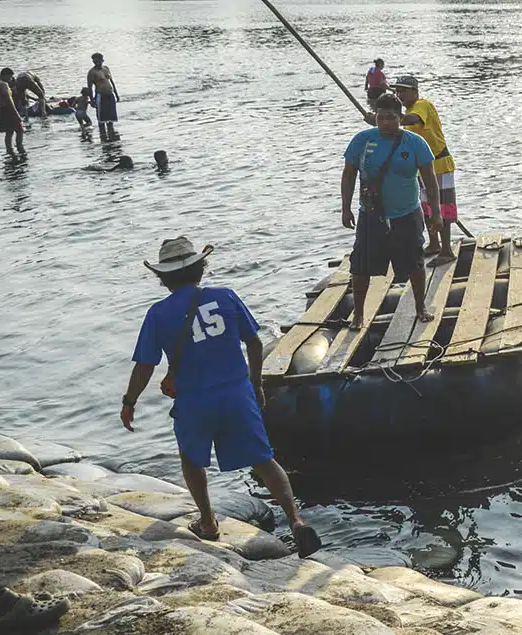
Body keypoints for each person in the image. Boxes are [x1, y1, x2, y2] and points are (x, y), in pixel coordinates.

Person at [122, 236, 322, 557]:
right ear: (200, 269)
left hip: (194, 401)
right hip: (236, 394)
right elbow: (254, 343)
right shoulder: (225, 296)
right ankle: (296, 520)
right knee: (265, 461)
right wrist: (256, 384)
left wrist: (129, 401)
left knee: (191, 460)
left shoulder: (158, 314)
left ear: (163, 279)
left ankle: (208, 522)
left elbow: (145, 365)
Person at [339, 92, 439, 326]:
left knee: (414, 262)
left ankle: (421, 307)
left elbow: (430, 180)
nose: (386, 123)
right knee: (361, 266)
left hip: (407, 214)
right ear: (375, 118)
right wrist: (345, 208)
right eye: (381, 118)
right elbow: (348, 175)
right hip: (371, 214)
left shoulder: (415, 143)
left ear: (400, 118)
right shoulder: (362, 141)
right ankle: (359, 315)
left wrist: (436, 213)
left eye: (391, 118)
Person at [391, 76, 459, 264]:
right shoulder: (407, 115)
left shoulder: (422, 105)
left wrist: (387, 118)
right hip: (423, 169)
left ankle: (446, 250)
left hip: (440, 165)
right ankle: (434, 244)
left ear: (414, 91)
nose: (399, 95)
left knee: (442, 208)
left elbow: (414, 119)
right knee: (427, 209)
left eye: (403, 91)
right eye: (397, 91)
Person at [0, 68, 24, 155]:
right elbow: (9, 100)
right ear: (5, 75)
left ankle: (9, 150)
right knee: (20, 130)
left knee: (9, 132)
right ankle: (20, 148)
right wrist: (16, 114)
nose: (10, 79)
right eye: (10, 77)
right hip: (7, 110)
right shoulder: (3, 84)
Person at [86, 53, 119, 139]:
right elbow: (89, 87)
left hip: (110, 94)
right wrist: (92, 100)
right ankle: (103, 136)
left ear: (102, 60)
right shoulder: (92, 72)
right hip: (100, 95)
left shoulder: (106, 69)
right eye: (95, 61)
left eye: (99, 61)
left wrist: (116, 94)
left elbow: (112, 82)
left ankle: (112, 135)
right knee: (101, 118)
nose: (97, 63)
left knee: (111, 118)